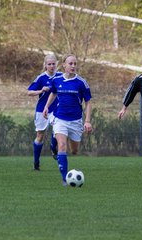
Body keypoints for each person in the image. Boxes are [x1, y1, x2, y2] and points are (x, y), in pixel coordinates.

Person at [42, 54, 93, 186]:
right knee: (62, 146)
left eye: (75, 63)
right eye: (70, 63)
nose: (73, 66)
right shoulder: (57, 80)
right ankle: (65, 178)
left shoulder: (81, 82)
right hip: (60, 119)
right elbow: (53, 93)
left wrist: (87, 121)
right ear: (64, 65)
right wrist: (46, 107)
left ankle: (54, 140)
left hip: (76, 121)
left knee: (74, 151)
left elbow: (88, 102)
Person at [27, 54, 62, 170]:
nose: (52, 66)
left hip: (56, 109)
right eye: (49, 64)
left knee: (58, 130)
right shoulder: (41, 78)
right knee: (40, 136)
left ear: (56, 64)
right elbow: (29, 92)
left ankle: (54, 146)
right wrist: (41, 90)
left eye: (53, 64)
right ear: (45, 65)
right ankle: (36, 163)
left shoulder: (61, 76)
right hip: (42, 110)